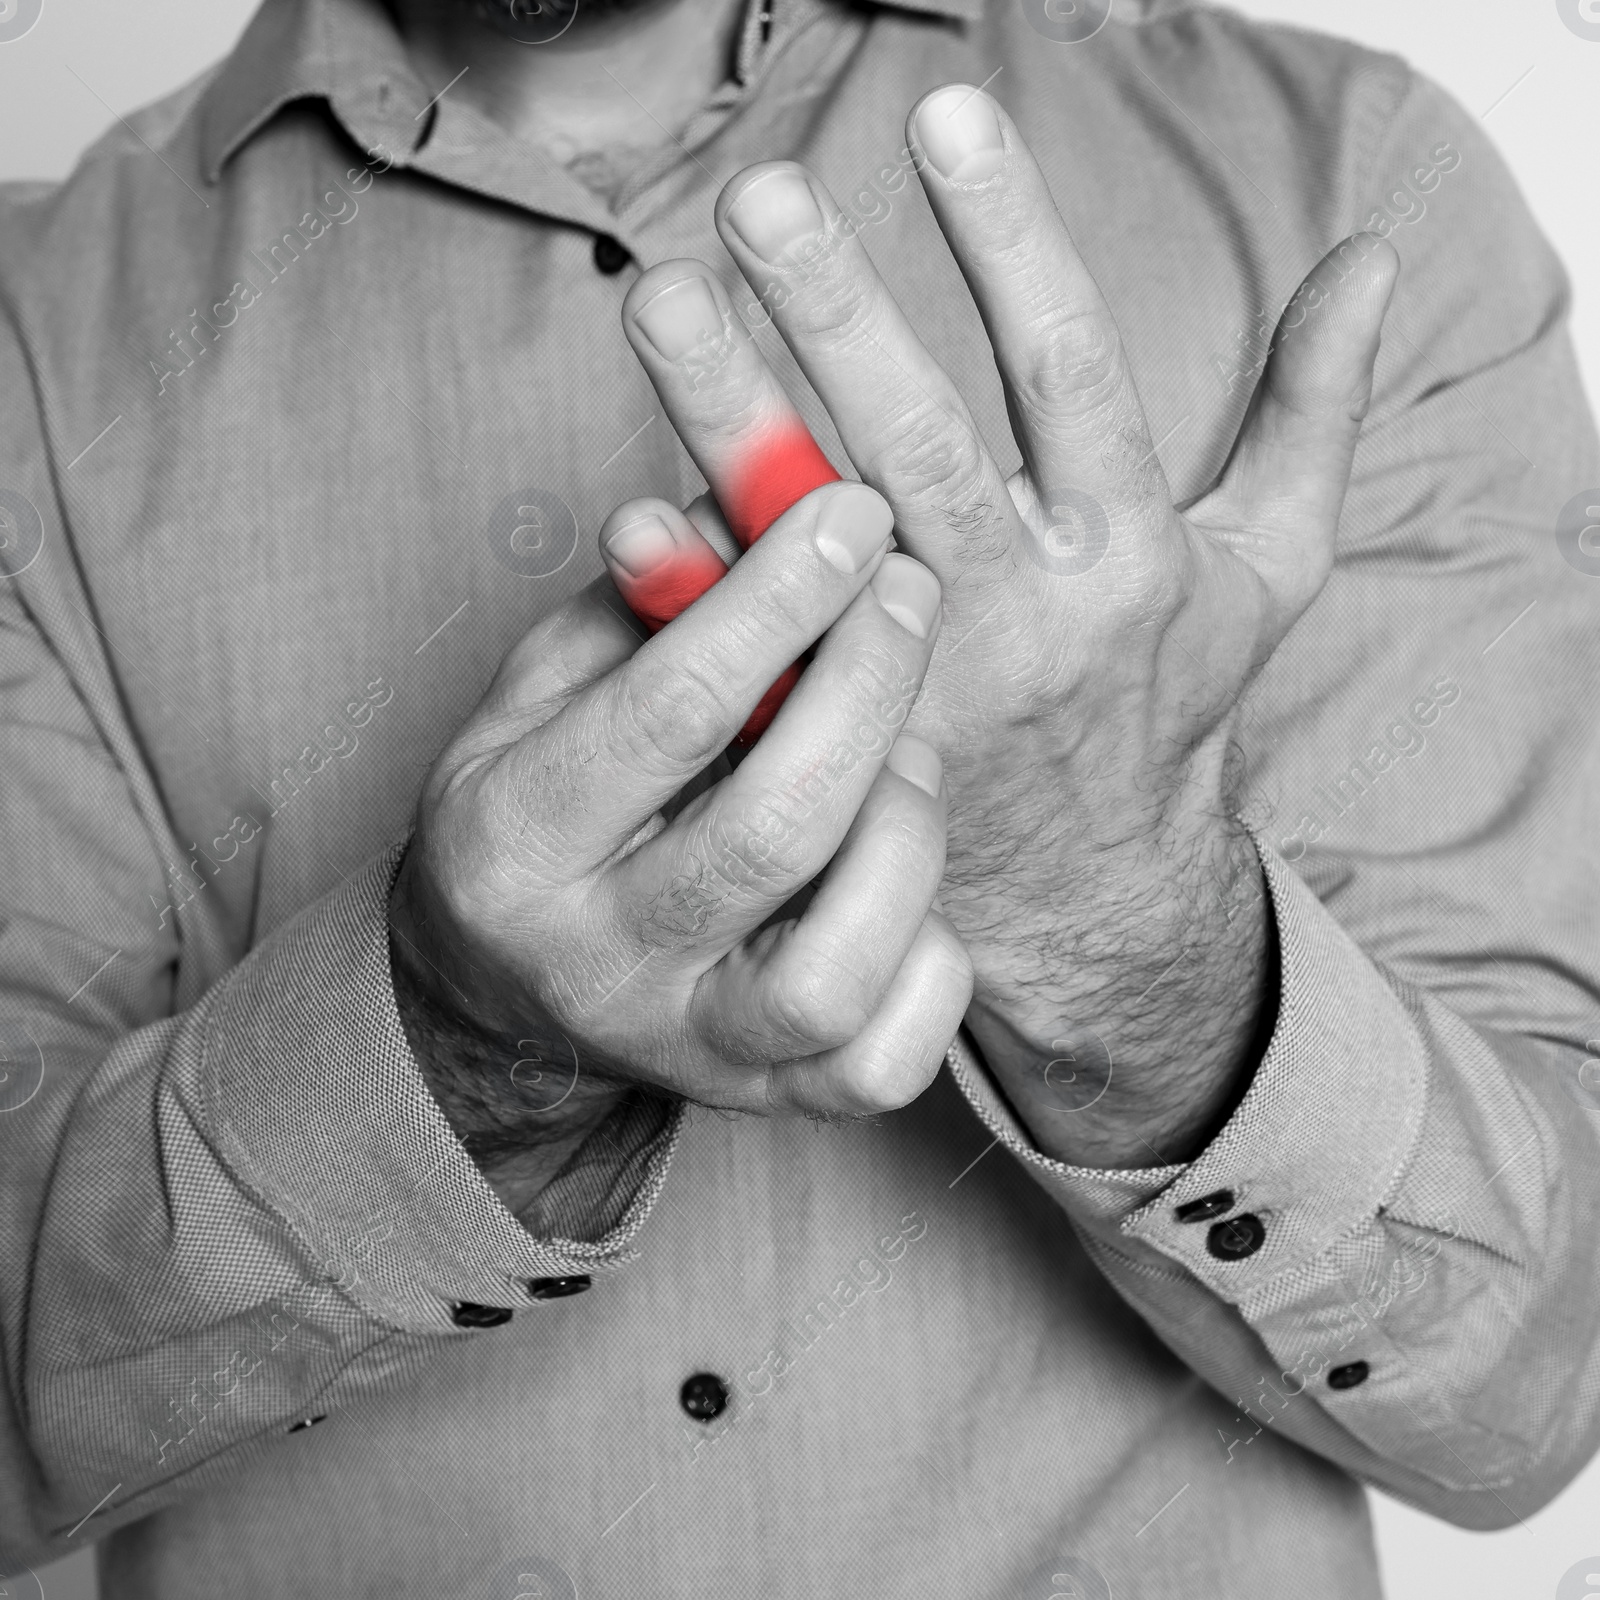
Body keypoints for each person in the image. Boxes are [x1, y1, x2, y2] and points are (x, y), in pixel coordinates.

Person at [1, 0, 1597, 1594]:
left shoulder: (1341, 168)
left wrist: (1113, 921)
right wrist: (453, 1049)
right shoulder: (31, 336)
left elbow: (1531, 1390)